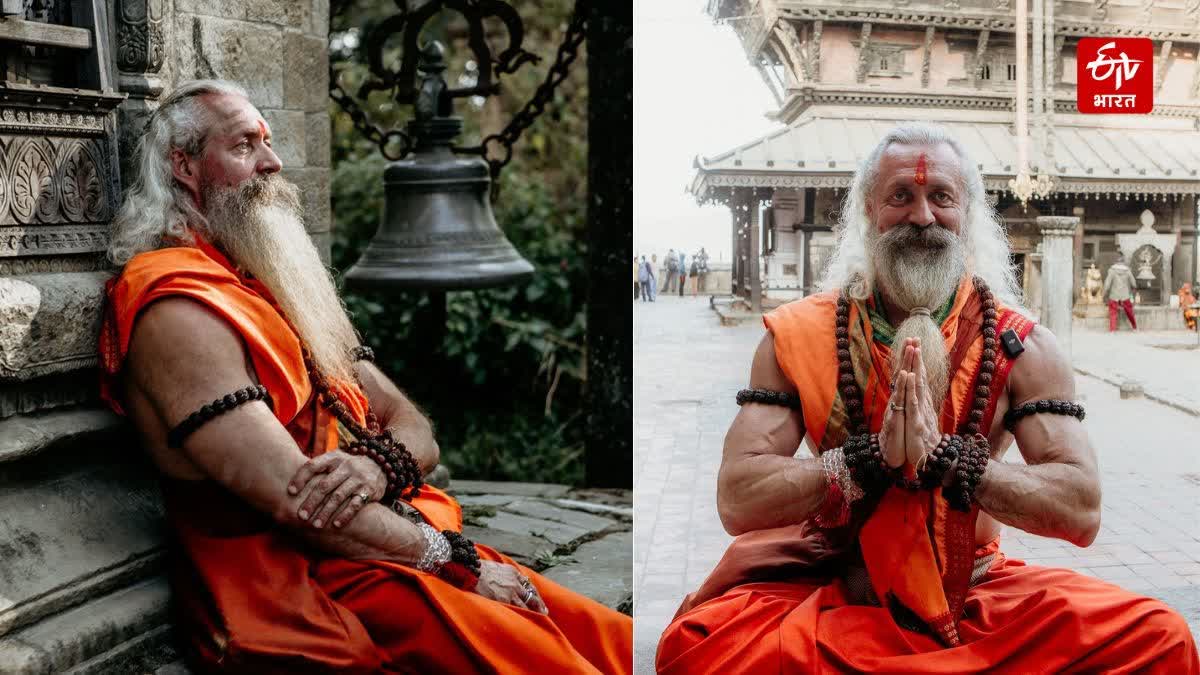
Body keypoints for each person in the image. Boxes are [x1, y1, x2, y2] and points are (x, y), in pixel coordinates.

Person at [99, 80, 631, 674]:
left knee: (617, 643)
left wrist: (377, 466)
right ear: (184, 166)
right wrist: (458, 564)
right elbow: (300, 501)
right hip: (303, 580)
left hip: (388, 541)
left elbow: (414, 426)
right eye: (246, 145)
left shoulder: (268, 283)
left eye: (267, 142)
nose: (273, 163)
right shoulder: (178, 307)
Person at [656, 123, 1198, 673]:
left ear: (968, 214)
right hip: (840, 579)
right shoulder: (800, 335)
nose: (921, 217)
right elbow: (738, 500)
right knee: (700, 647)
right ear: (869, 212)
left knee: (1161, 638)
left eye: (941, 196)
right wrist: (858, 463)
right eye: (901, 196)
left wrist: (953, 464)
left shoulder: (1023, 345)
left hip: (974, 589)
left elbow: (1081, 510)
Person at [1103, 259, 1139, 332]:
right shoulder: (1128, 271)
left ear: (1116, 263)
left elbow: (1107, 284)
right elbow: (1133, 283)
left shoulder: (1111, 271)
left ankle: (1112, 330)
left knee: (1113, 313)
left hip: (1114, 295)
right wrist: (1133, 288)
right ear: (1123, 263)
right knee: (1130, 312)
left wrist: (1104, 293)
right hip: (1125, 295)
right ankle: (1134, 327)